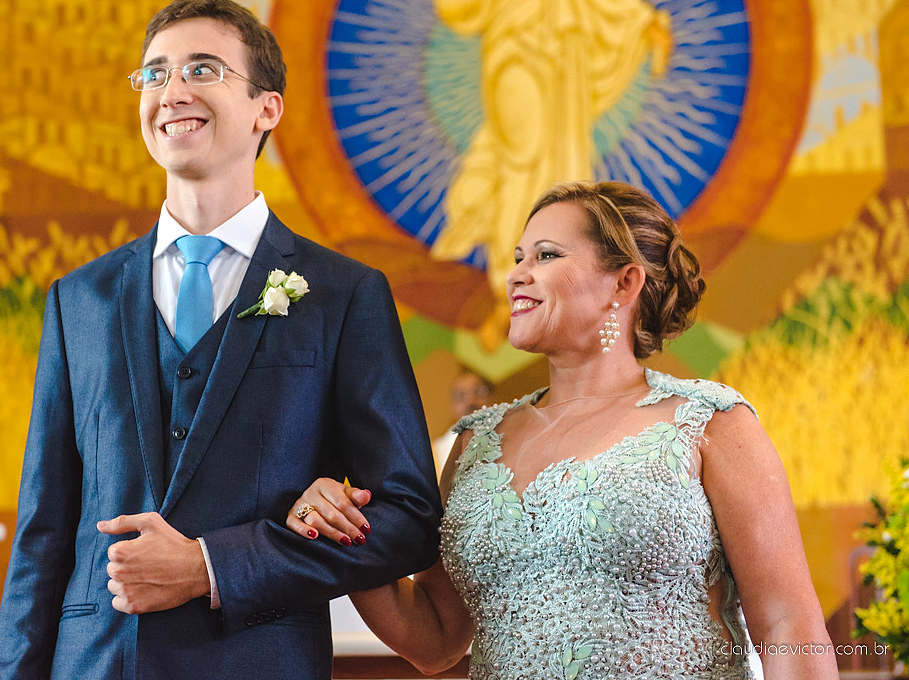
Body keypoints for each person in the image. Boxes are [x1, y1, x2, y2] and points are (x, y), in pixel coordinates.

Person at [0, 0, 442, 680]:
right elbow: (42, 531)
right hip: (94, 664)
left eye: (202, 69)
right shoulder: (78, 299)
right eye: (154, 74)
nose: (172, 91)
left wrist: (214, 566)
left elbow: (407, 520)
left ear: (268, 108)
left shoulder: (344, 294)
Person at [286, 181, 837, 680]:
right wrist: (341, 532)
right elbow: (436, 641)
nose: (516, 275)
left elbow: (788, 623)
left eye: (546, 255)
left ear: (624, 282)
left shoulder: (710, 423)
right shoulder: (476, 443)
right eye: (518, 258)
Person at [429, 0, 671, 351]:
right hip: (515, 39)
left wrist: (644, 20)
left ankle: (568, 289)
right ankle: (509, 289)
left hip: (566, 42)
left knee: (564, 159)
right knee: (521, 153)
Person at [432, 368, 493, 477]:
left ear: (493, 396)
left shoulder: (513, 433)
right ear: (452, 406)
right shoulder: (437, 452)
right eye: (460, 395)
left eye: (479, 392)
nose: (470, 401)